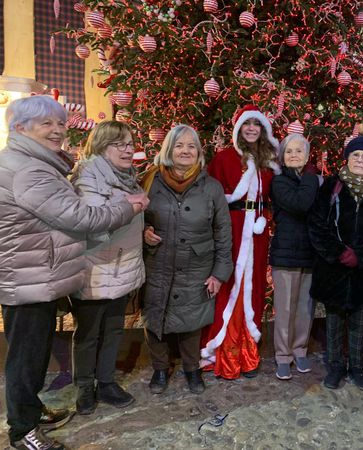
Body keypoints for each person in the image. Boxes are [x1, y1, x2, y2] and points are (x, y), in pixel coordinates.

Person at [0, 96, 146, 450]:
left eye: (60, 123)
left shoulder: (33, 163)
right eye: (45, 123)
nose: (57, 130)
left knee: (31, 355)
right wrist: (128, 206)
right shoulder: (29, 170)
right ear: (19, 128)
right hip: (30, 278)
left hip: (36, 275)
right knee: (27, 359)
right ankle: (23, 431)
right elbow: (83, 218)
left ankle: (30, 412)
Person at [141, 125, 232, 394]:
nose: (185, 151)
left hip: (197, 265)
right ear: (169, 149)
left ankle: (192, 369)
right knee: (155, 317)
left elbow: (223, 233)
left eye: (191, 146)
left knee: (192, 321)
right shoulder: (149, 180)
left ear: (199, 153)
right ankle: (160, 369)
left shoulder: (211, 187)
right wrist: (143, 233)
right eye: (179, 145)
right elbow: (132, 218)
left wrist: (219, 273)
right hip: (157, 262)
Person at [70, 121, 145, 415]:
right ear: (102, 146)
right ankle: (84, 386)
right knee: (88, 334)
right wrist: (132, 207)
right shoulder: (88, 177)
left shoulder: (128, 177)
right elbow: (93, 224)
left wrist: (145, 228)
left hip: (121, 268)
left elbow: (129, 215)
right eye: (121, 144)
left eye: (130, 143)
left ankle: (106, 381)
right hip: (95, 269)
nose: (128, 150)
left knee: (114, 329)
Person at [308, 136, 363, 391]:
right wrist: (338, 253)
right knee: (334, 321)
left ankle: (357, 366)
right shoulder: (331, 186)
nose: (359, 160)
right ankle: (336, 366)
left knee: (360, 322)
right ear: (347, 158)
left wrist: (362, 256)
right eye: (355, 155)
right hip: (333, 270)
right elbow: (317, 225)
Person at [201, 105, 279, 380]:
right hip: (232, 229)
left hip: (258, 234)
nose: (251, 129)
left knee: (254, 286)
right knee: (230, 283)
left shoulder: (269, 161)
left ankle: (249, 351)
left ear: (263, 130)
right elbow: (211, 198)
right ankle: (224, 350)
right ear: (238, 128)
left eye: (257, 125)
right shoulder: (223, 159)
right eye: (247, 124)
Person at [269, 133, 320, 380]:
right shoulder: (279, 182)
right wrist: (311, 176)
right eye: (289, 151)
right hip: (285, 254)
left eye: (299, 151)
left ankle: (300, 350)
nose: (294, 155)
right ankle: (282, 356)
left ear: (307, 156)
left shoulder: (313, 181)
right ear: (282, 156)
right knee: (285, 307)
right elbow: (301, 204)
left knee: (304, 308)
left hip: (310, 253)